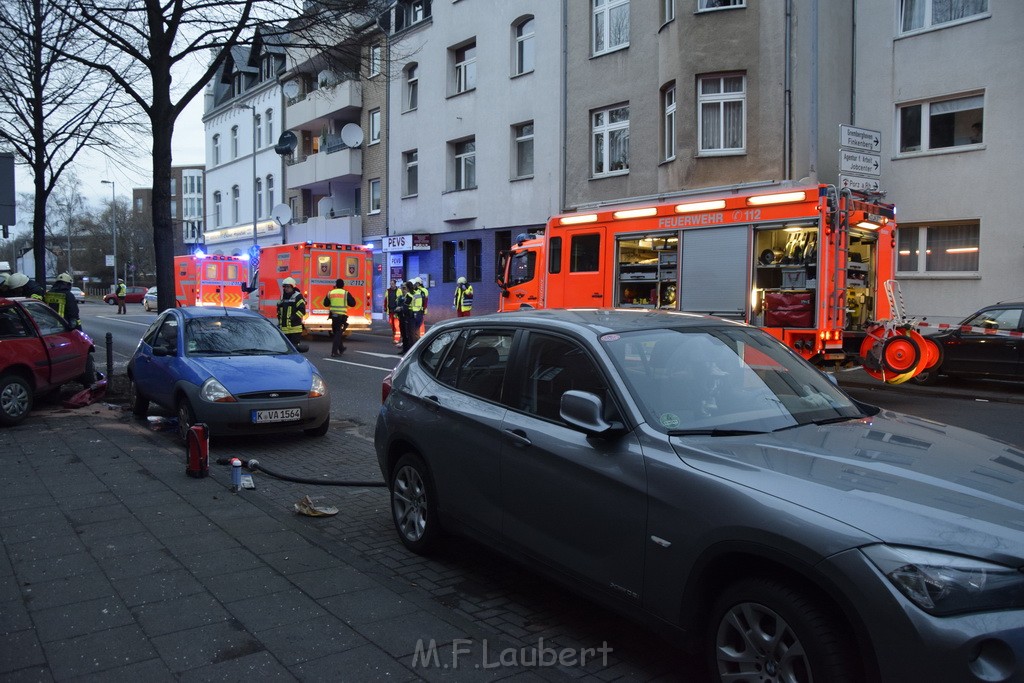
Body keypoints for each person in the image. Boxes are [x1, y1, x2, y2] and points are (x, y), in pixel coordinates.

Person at [323, 278, 356, 357]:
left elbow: (325, 303)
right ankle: (334, 352)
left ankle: (341, 348)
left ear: (336, 285)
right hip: (341, 316)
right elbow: (353, 303)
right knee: (338, 333)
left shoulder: (330, 293)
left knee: (336, 332)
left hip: (333, 316)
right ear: (343, 285)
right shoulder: (345, 293)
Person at [276, 277, 306, 346]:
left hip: (295, 329)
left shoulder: (298, 297)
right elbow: (279, 309)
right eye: (284, 286)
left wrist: (292, 318)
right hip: (284, 329)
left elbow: (302, 311)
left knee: (294, 349)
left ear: (292, 287)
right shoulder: (282, 297)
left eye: (288, 287)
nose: (286, 288)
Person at [385, 279, 401, 346]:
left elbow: (400, 300)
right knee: (391, 324)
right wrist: (385, 307)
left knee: (396, 325)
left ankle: (397, 339)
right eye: (390, 284)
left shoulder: (399, 291)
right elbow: (386, 300)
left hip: (396, 311)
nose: (391, 285)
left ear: (395, 284)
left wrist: (399, 309)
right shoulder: (388, 291)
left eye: (392, 284)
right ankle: (394, 336)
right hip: (390, 310)